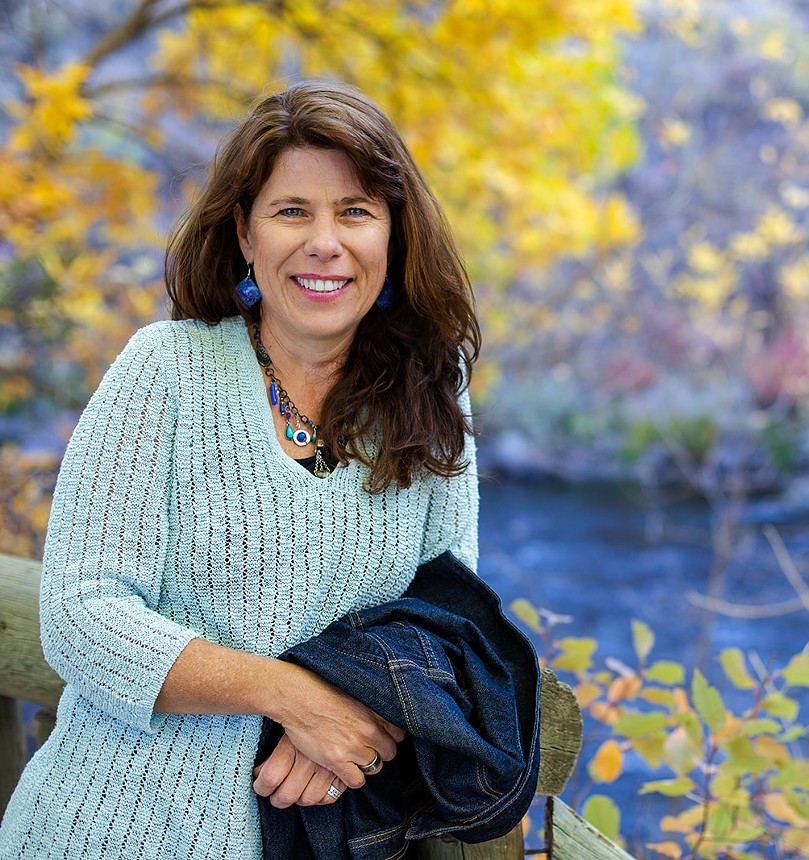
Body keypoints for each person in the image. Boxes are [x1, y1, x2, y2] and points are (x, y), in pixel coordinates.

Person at [0, 78, 481, 859]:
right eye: (293, 211)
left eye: (355, 211)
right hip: (106, 833)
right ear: (246, 235)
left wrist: (363, 714)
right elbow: (81, 615)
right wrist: (289, 697)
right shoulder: (167, 369)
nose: (325, 241)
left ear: (393, 236)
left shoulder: (431, 392)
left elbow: (448, 620)